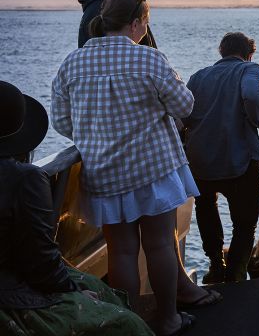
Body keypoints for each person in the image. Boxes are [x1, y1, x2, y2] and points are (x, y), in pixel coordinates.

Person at [50, 0, 216, 336]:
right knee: (159, 244)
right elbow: (185, 106)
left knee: (122, 252)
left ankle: (132, 322)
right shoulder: (148, 59)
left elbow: (62, 122)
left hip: (103, 173)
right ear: (138, 23)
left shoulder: (72, 63)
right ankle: (168, 319)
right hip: (151, 167)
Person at [0, 81, 154, 336]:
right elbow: (40, 260)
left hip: (13, 279)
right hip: (10, 296)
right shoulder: (24, 179)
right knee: (128, 324)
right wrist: (73, 291)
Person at [183, 32, 259, 284]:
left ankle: (215, 265)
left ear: (221, 52)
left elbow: (183, 113)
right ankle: (235, 274)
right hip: (239, 161)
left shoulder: (198, 76)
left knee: (206, 207)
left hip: (201, 161)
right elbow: (253, 96)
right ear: (249, 53)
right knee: (244, 225)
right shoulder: (251, 69)